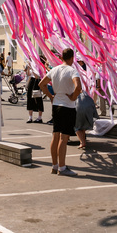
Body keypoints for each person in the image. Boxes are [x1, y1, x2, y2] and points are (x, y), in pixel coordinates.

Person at [39, 48, 82, 177]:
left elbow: (42, 84)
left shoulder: (55, 69)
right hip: (67, 106)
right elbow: (78, 87)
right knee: (64, 138)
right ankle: (62, 168)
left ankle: (54, 166)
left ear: (61, 57)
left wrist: (51, 96)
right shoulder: (72, 71)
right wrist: (73, 97)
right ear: (72, 58)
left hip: (56, 105)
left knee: (55, 135)